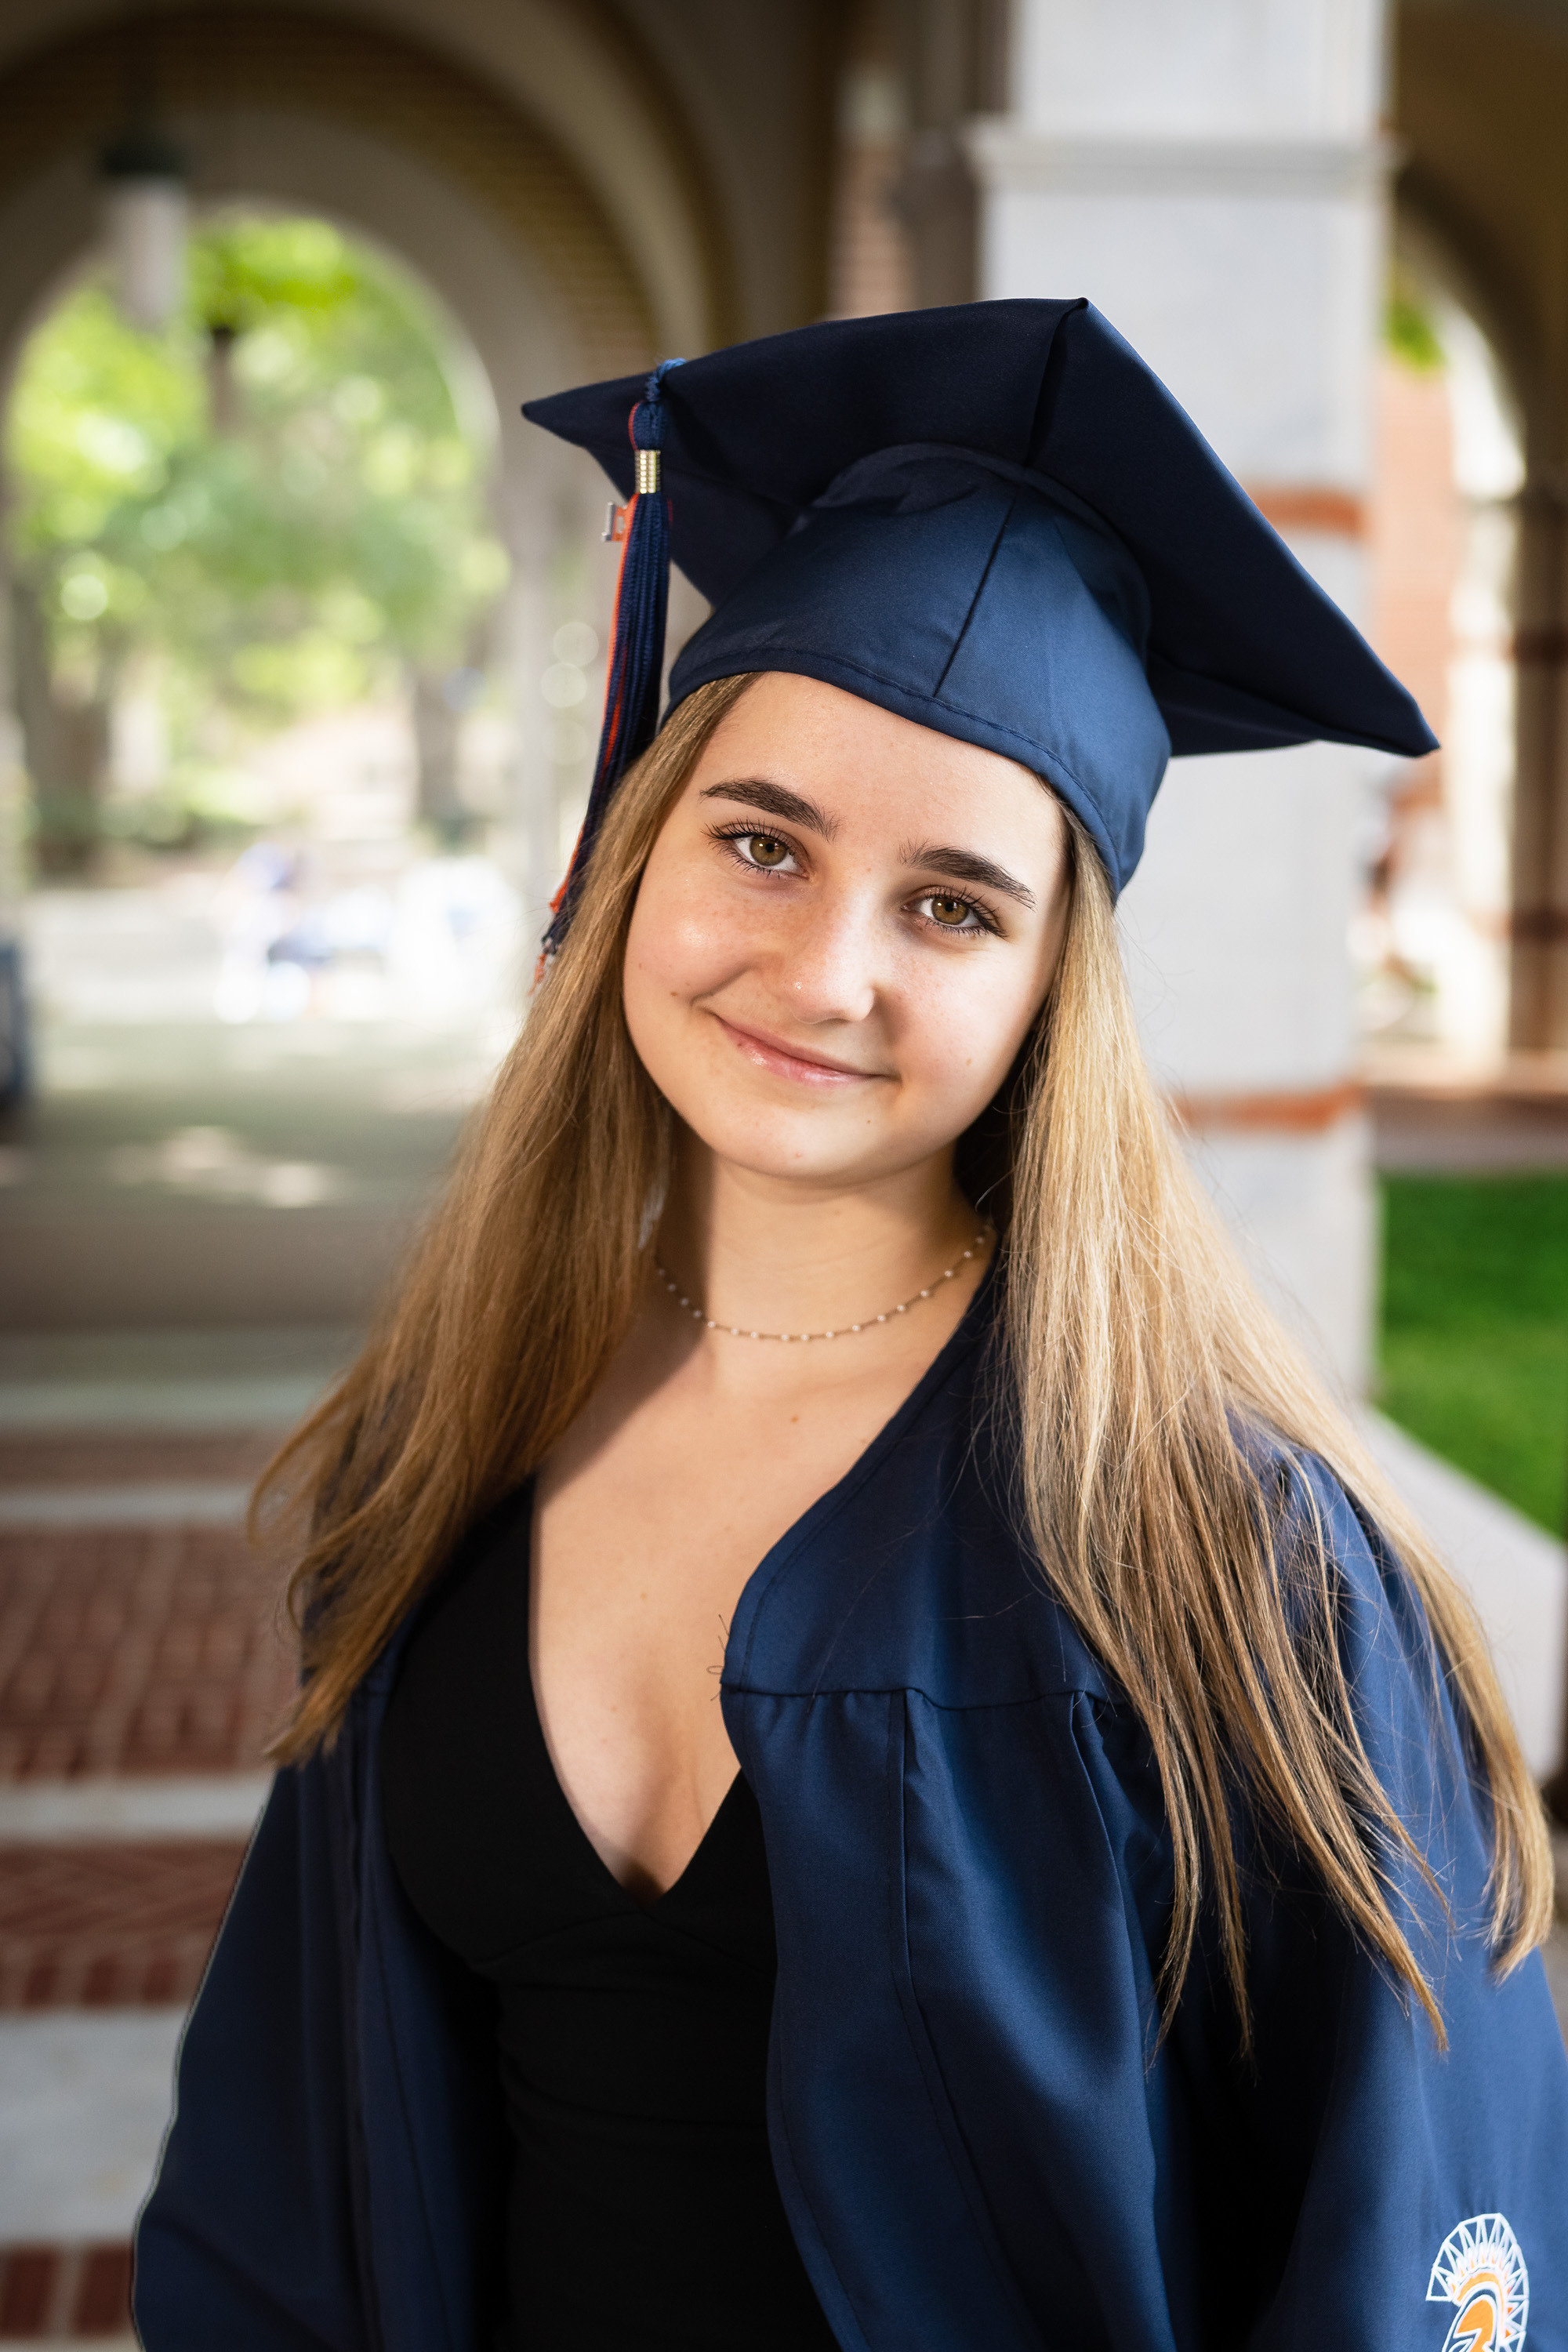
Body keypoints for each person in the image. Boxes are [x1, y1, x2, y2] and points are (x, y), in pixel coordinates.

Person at [134, 301, 1568, 2352]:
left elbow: (1409, 2244)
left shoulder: (1226, 1573)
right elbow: (293, 2171)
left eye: (955, 904)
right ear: (637, 855)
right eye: (762, 842)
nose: (827, 970)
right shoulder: (449, 1454)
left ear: (1049, 989)